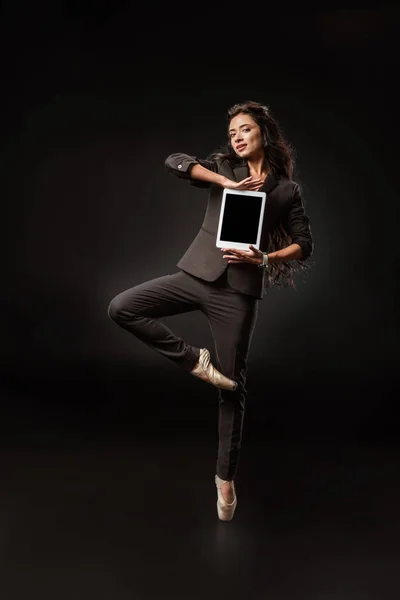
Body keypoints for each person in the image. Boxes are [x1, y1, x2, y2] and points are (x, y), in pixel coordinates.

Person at [108, 100, 313, 521]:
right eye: (233, 131)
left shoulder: (285, 191)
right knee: (122, 307)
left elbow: (304, 244)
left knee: (231, 388)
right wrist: (225, 182)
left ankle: (224, 479)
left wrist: (266, 260)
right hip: (196, 275)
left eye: (245, 130)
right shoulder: (222, 167)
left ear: (264, 135)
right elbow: (175, 161)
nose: (237, 137)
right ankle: (192, 361)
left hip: (237, 294)